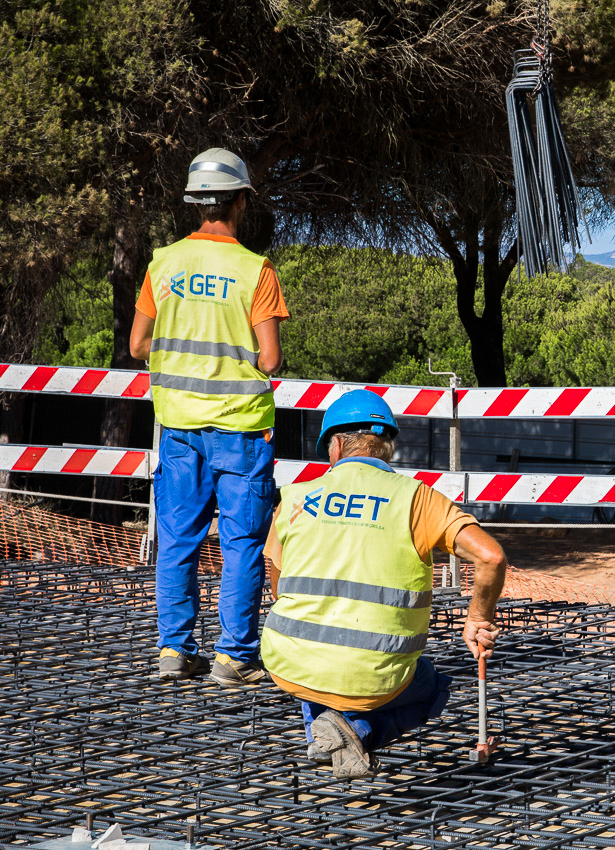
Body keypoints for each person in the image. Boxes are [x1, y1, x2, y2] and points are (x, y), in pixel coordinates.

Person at [261, 390, 507, 780]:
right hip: (375, 679)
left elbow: (278, 586)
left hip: (286, 664)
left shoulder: (295, 497)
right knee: (433, 685)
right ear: (387, 446)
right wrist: (478, 618)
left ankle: (322, 734)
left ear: (336, 444)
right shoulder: (417, 501)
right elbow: (491, 557)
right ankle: (357, 732)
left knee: (314, 660)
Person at [129, 148, 289, 686]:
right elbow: (269, 360)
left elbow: (137, 345)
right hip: (241, 429)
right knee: (241, 541)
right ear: (240, 200)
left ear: (196, 203)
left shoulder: (163, 262)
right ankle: (234, 657)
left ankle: (173, 651)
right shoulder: (254, 270)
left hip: (178, 427)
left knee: (178, 539)